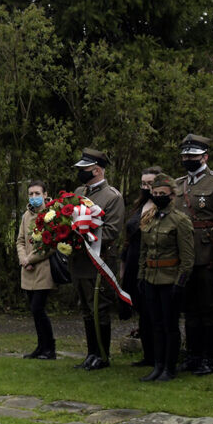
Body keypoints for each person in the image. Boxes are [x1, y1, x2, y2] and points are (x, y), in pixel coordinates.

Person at [173, 134, 213, 376]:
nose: (188, 159)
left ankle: (210, 357)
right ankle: (193, 355)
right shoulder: (178, 184)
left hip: (207, 255)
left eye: (193, 156)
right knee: (189, 309)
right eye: (185, 156)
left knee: (209, 309)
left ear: (205, 157)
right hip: (183, 257)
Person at [70, 148, 125, 370]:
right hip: (79, 260)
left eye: (85, 169)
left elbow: (112, 230)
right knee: (85, 308)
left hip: (99, 260)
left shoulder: (112, 197)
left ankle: (102, 355)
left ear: (97, 170)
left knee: (98, 308)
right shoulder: (79, 192)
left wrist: (83, 234)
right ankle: (91, 353)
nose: (80, 172)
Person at [137, 174, 195, 382]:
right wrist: (141, 276)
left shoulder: (180, 220)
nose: (157, 196)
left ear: (172, 196)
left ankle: (169, 367)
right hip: (151, 279)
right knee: (156, 324)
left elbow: (187, 258)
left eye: (162, 193)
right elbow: (144, 251)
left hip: (170, 280)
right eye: (155, 193)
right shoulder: (149, 217)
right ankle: (158, 364)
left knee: (170, 325)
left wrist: (180, 283)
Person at [121, 166, 162, 370]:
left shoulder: (163, 208)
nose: (146, 187)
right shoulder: (140, 205)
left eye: (150, 184)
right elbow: (128, 236)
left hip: (151, 264)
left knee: (153, 311)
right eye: (143, 184)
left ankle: (159, 357)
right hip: (132, 262)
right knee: (142, 312)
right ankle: (148, 355)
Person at [16, 180, 55, 359]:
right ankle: (41, 347)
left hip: (43, 269)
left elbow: (50, 245)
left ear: (45, 195)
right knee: (34, 311)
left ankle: (50, 348)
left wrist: (30, 259)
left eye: (37, 193)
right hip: (27, 270)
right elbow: (20, 241)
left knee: (38, 308)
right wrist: (23, 259)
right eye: (31, 194)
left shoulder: (51, 215)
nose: (34, 197)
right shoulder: (26, 215)